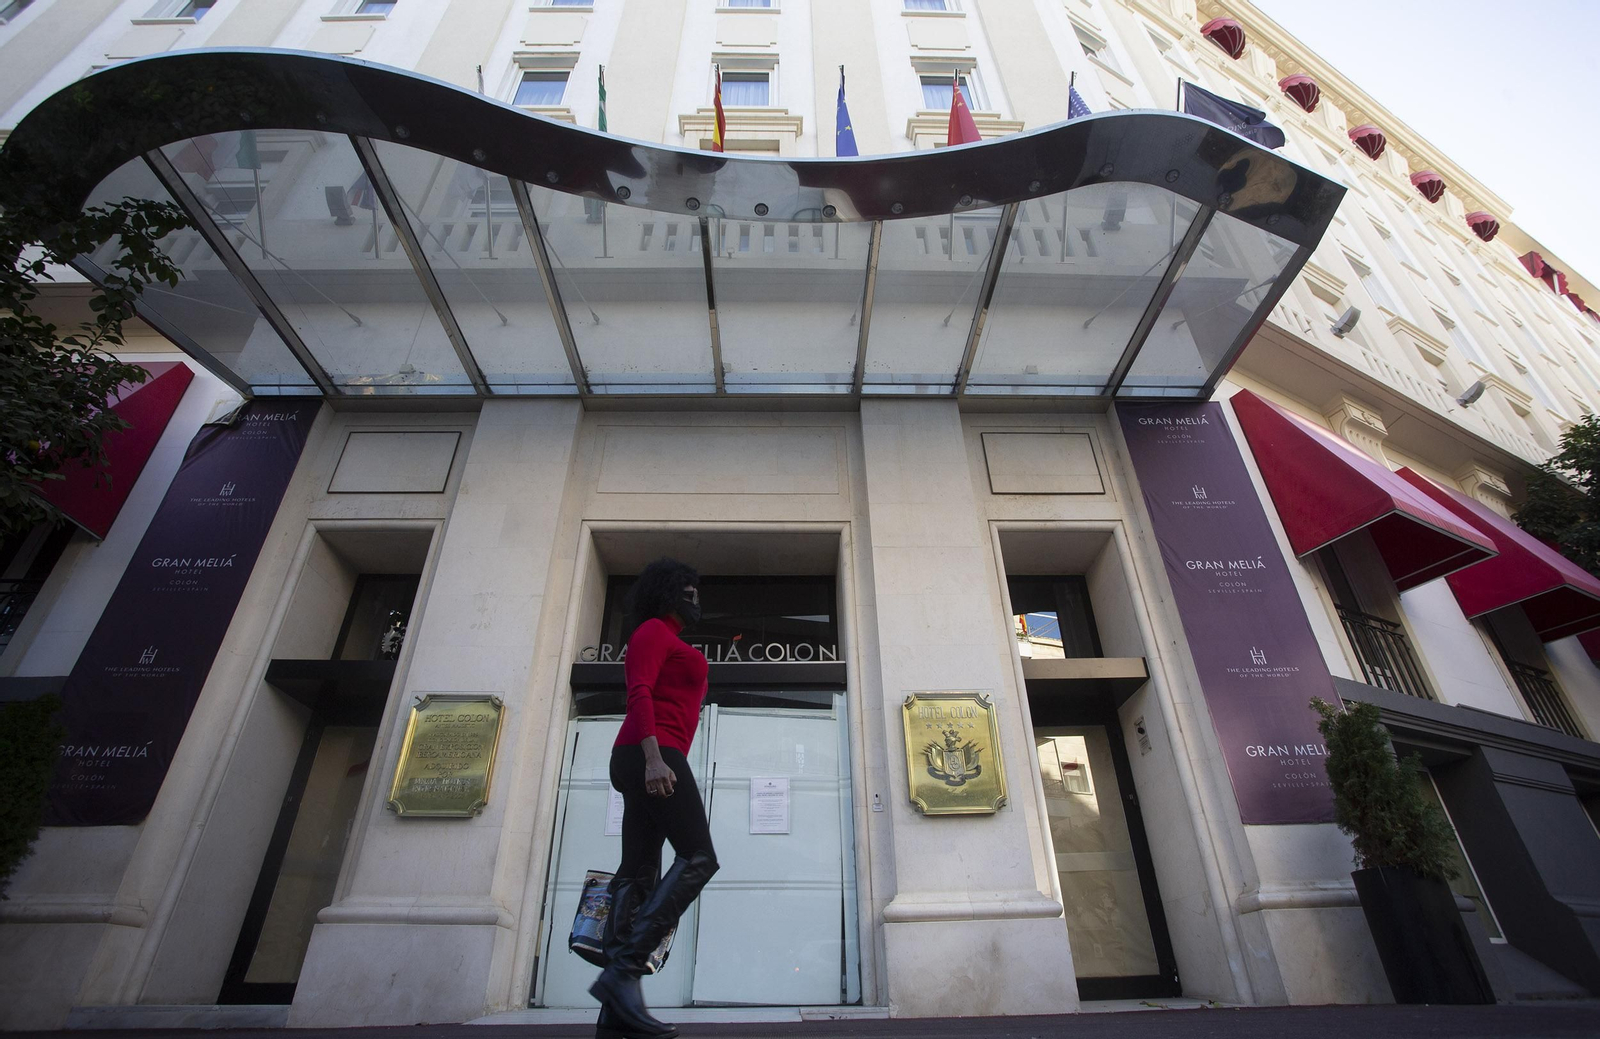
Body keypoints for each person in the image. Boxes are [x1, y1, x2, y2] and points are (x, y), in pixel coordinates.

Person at [591, 558, 718, 1039]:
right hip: (649, 751)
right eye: (688, 592)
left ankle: (615, 1015)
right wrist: (653, 759)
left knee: (639, 870)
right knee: (699, 857)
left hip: (652, 753)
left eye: (697, 592)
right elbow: (638, 691)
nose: (697, 600)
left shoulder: (672, 640)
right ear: (667, 594)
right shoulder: (651, 633)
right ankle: (623, 970)